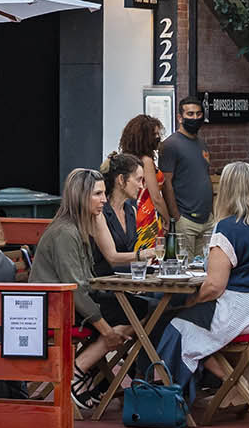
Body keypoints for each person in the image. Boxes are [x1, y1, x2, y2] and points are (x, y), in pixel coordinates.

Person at [168, 161, 249, 382]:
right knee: (191, 319)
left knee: (174, 325)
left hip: (237, 314)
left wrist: (190, 301)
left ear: (227, 191)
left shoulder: (228, 228)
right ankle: (244, 378)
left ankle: (231, 380)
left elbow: (214, 286)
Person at [33, 168, 133, 410]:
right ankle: (78, 370)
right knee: (136, 312)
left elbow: (83, 285)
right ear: (81, 197)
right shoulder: (66, 233)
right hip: (55, 311)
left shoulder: (76, 227)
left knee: (138, 308)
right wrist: (107, 332)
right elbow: (78, 290)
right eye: (98, 194)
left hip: (66, 306)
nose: (104, 200)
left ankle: (90, 374)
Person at [157, 95, 215, 251]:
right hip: (185, 220)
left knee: (205, 268)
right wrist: (177, 217)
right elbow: (166, 182)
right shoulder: (170, 145)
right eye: (190, 114)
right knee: (186, 269)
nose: (195, 118)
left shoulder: (201, 143)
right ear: (179, 117)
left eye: (198, 114)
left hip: (207, 219)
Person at [91, 153, 158, 277]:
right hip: (106, 285)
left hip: (128, 282)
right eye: (138, 179)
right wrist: (144, 254)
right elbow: (112, 258)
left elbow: (130, 254)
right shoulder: (99, 212)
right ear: (121, 179)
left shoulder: (131, 210)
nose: (141, 186)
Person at [117, 114, 169, 253]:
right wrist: (167, 218)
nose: (158, 137)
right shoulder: (146, 161)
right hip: (147, 215)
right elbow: (156, 197)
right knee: (151, 256)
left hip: (133, 212)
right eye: (155, 134)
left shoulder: (128, 159)